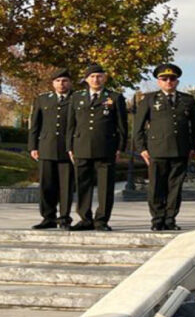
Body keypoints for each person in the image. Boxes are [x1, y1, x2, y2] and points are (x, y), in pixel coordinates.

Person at [133, 63, 195, 231]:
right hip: (157, 150)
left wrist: (193, 147)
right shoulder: (149, 99)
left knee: (175, 188)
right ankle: (157, 219)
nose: (169, 81)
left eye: (172, 79)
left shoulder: (188, 100)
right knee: (156, 187)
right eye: (164, 79)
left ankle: (170, 219)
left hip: (180, 149)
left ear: (177, 81)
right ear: (158, 81)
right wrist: (142, 149)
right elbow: (138, 127)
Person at [66, 64, 128, 231]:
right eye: (92, 76)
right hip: (81, 146)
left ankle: (101, 220)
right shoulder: (76, 97)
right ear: (86, 79)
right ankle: (85, 219)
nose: (95, 79)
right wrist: (69, 147)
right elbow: (71, 125)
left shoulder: (114, 97)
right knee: (83, 185)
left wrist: (119, 148)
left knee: (105, 187)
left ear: (104, 78)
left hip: (106, 147)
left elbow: (122, 125)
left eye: (99, 76)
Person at [28, 68, 75, 229]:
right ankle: (48, 217)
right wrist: (33, 146)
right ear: (52, 83)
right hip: (46, 148)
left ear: (70, 82)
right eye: (58, 81)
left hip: (67, 149)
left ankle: (64, 218)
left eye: (64, 81)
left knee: (66, 186)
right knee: (47, 185)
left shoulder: (76, 99)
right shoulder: (42, 100)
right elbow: (35, 125)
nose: (61, 84)